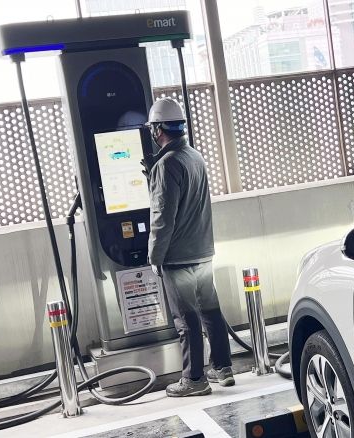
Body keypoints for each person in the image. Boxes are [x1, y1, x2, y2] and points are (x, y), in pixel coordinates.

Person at [143, 97, 234, 397]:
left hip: (178, 256)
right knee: (210, 311)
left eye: (152, 128)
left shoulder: (167, 164)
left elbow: (162, 216)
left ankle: (194, 379)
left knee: (186, 319)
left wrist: (155, 256)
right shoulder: (194, 156)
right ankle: (223, 367)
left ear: (158, 129)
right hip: (202, 251)